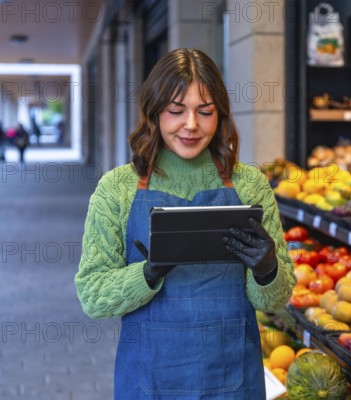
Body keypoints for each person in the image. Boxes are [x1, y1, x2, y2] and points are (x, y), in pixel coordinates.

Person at [74, 48, 296, 399]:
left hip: (232, 378)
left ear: (220, 115)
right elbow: (92, 294)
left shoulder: (248, 185)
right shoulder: (118, 188)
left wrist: (268, 269)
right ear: (155, 111)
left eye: (205, 112)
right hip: (149, 381)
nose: (191, 125)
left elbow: (274, 299)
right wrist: (147, 273)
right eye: (176, 111)